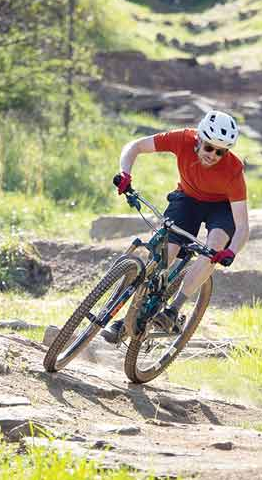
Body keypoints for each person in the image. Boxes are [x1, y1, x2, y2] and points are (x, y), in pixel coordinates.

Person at [101, 110, 249, 344]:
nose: (213, 155)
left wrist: (230, 252)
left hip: (220, 208)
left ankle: (173, 310)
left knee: (214, 247)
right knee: (164, 253)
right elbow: (135, 146)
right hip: (187, 199)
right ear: (199, 139)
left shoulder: (233, 170)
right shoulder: (182, 139)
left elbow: (242, 225)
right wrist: (125, 173)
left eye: (221, 152)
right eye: (209, 147)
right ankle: (126, 320)